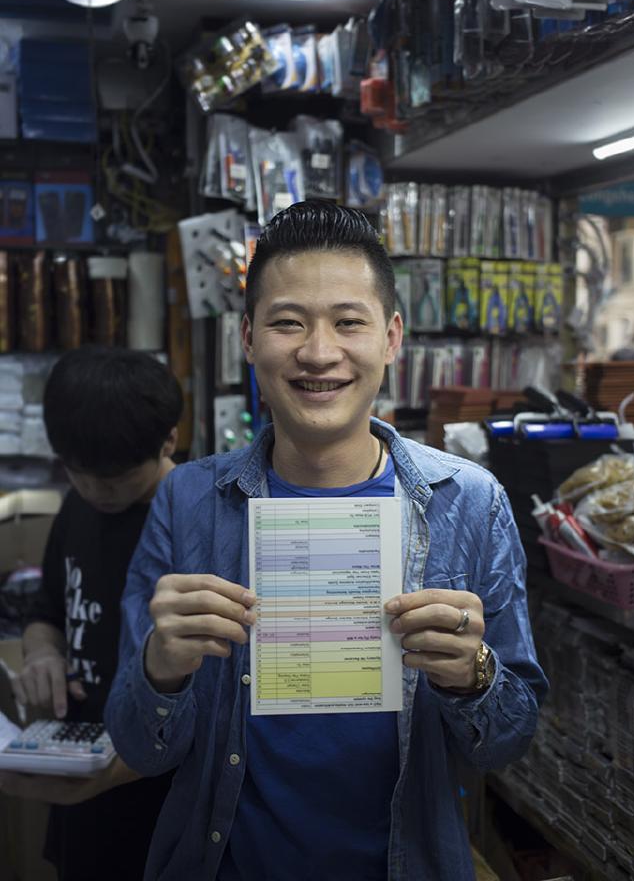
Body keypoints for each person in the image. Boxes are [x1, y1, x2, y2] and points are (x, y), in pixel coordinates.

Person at [105, 201, 548, 881]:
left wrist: (472, 675)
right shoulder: (188, 500)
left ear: (392, 337)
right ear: (248, 337)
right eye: (288, 322)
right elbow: (140, 746)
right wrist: (162, 668)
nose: (318, 353)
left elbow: (508, 744)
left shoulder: (472, 503)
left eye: (349, 322)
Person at [0, 346, 183, 881]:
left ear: (168, 440)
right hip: (77, 777)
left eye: (119, 478)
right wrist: (42, 654)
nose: (98, 492)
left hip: (161, 801)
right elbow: (47, 609)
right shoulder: (77, 504)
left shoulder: (195, 521)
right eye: (80, 474)